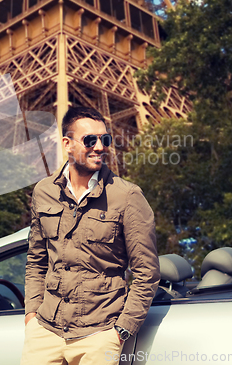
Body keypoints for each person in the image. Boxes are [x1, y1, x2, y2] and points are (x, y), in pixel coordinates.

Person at [20, 107, 160, 365]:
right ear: (67, 144)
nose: (100, 146)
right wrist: (31, 315)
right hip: (45, 331)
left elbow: (146, 271)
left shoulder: (127, 196)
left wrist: (120, 331)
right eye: (89, 140)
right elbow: (36, 260)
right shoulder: (43, 191)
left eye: (105, 139)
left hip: (99, 334)